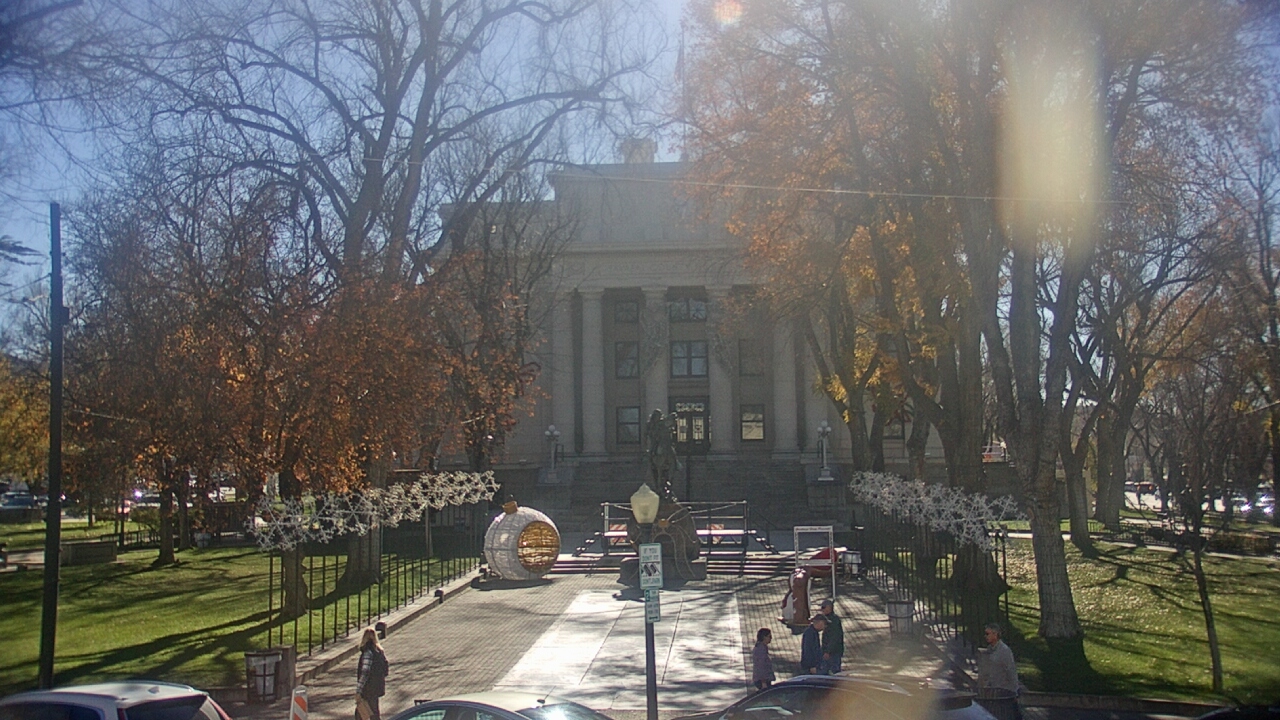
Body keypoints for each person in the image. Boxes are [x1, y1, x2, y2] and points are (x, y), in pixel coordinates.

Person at [976, 623, 1021, 720]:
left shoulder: (1004, 651)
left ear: (995, 634)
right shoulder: (990, 649)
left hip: (1003, 693)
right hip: (993, 691)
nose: (985, 636)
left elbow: (1011, 671)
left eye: (988, 634)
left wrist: (1014, 691)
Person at [355, 628, 389, 720]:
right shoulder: (379, 652)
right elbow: (385, 669)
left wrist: (359, 690)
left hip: (368, 689)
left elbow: (365, 673)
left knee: (362, 713)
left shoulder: (367, 652)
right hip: (377, 687)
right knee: (374, 712)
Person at [818, 598, 844, 675]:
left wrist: (828, 651)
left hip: (834, 651)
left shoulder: (833, 621)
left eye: (823, 607)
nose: (822, 609)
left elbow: (835, 638)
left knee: (834, 671)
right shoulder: (828, 619)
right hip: (831, 650)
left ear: (829, 608)